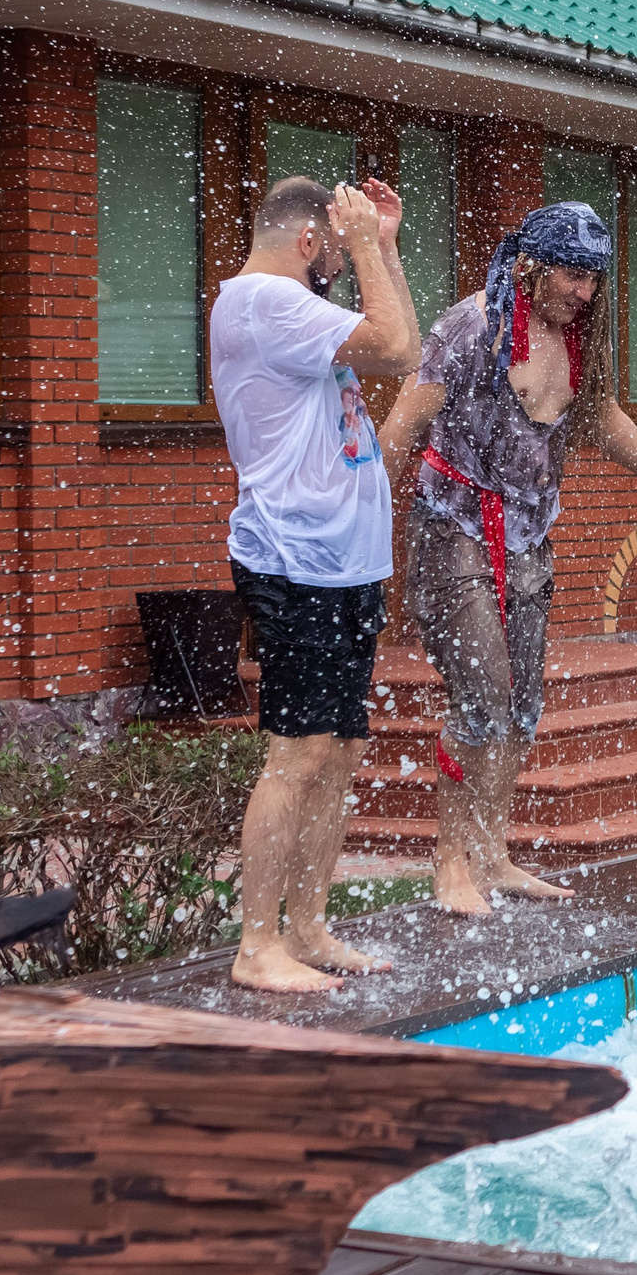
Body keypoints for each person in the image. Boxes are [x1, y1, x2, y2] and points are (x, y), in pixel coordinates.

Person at [379, 202, 637, 915]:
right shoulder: (471, 329)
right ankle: (449, 867)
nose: (584, 293)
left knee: (521, 707)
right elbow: (401, 427)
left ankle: (492, 856)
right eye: (573, 274)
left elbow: (599, 417)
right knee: (481, 694)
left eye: (593, 279)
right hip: (453, 532)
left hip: (530, 539)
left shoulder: (578, 337)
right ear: (531, 264)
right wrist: (356, 530)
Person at [213, 175, 422, 992]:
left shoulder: (287, 305)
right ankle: (256, 944)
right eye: (333, 254)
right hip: (292, 560)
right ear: (307, 243)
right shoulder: (266, 301)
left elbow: (402, 338)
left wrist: (386, 247)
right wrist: (365, 246)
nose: (339, 268)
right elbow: (398, 348)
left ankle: (307, 926)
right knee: (295, 754)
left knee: (338, 751)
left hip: (342, 563)